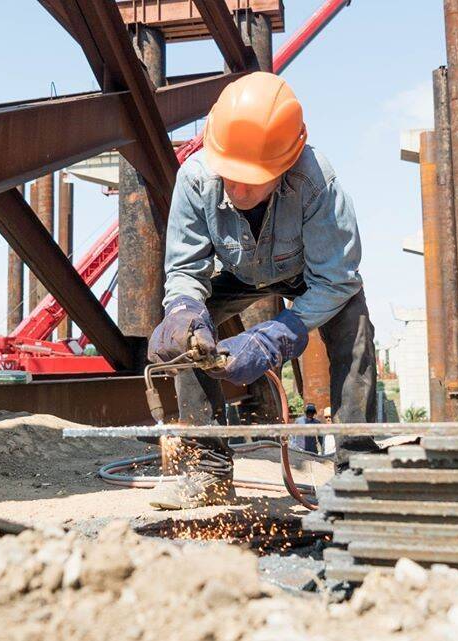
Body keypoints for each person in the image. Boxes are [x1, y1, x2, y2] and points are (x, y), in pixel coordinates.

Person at [147, 72, 379, 510]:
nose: (237, 189)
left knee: (352, 315)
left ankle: (358, 468)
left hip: (304, 272)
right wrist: (181, 310)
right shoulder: (195, 179)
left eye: (252, 179)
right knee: (188, 334)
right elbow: (185, 271)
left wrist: (278, 333)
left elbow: (337, 278)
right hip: (234, 271)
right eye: (229, 176)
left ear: (285, 163)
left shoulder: (316, 183)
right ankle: (209, 473)